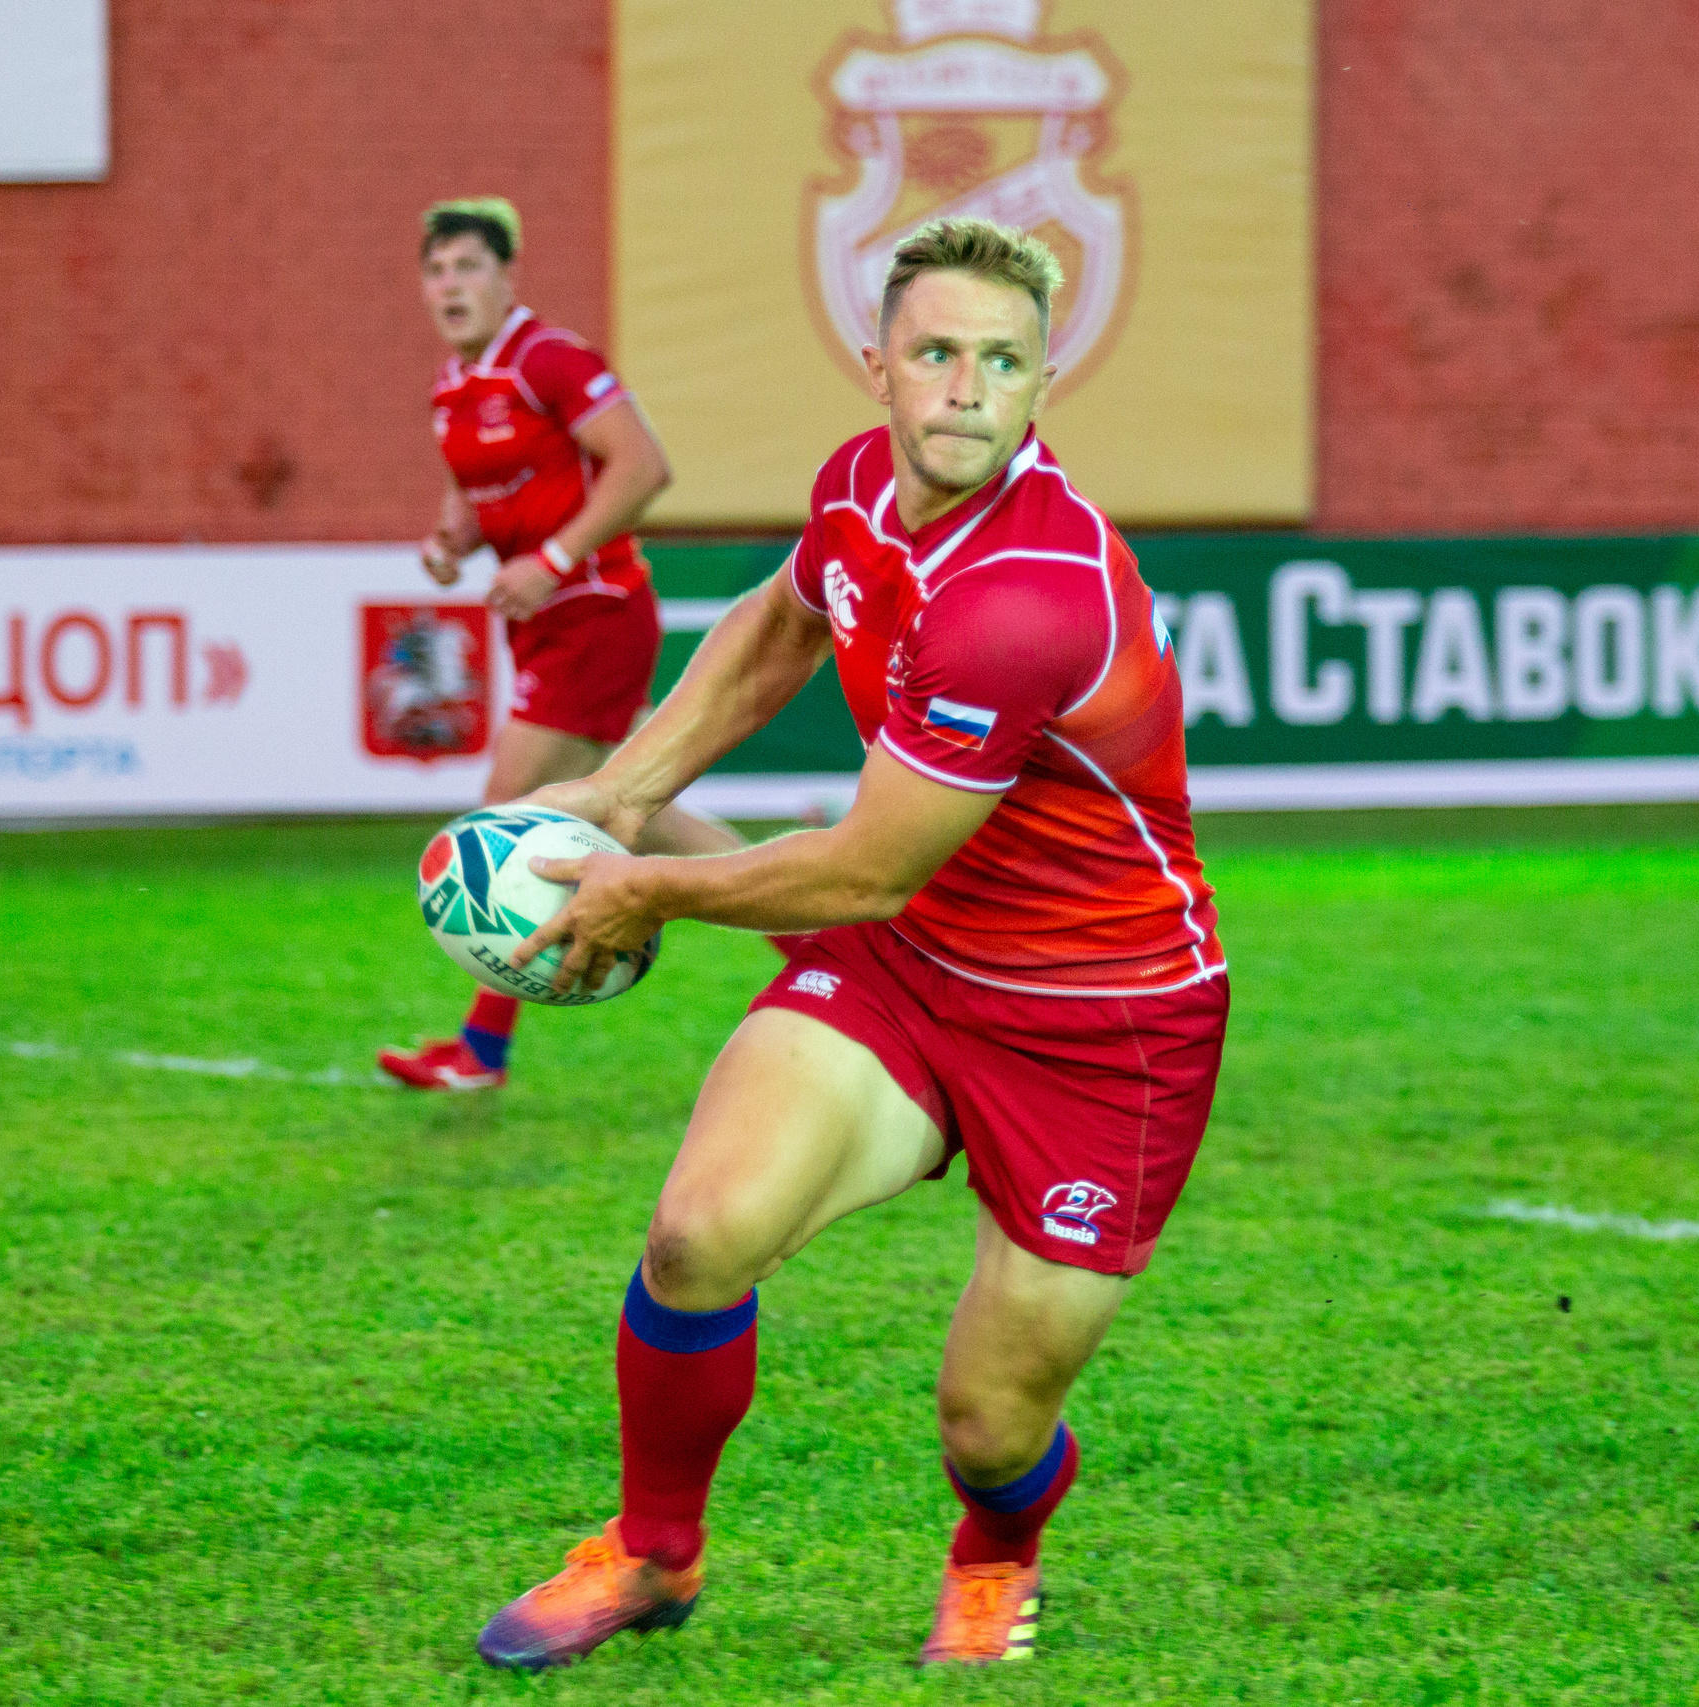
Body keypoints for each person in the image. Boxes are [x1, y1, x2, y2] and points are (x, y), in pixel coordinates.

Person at [470, 217, 1228, 1670]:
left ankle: (999, 1550)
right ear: (875, 361)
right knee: (700, 1234)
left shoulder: (1030, 595)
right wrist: (622, 787)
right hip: (918, 966)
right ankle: (650, 1553)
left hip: (1106, 1026)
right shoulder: (859, 488)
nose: (963, 388)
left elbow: (865, 867)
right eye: (936, 352)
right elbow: (775, 627)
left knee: (987, 1421)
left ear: (1040, 386)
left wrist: (643, 887)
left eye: (1001, 362)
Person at [381, 197, 739, 1091]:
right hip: (543, 622)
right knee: (644, 808)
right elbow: (479, 489)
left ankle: (482, 1050)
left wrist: (550, 557)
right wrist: (451, 540)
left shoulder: (549, 357)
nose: (451, 284)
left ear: (508, 278)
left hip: (596, 609)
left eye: (468, 266)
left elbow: (643, 465)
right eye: (437, 270)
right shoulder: (452, 384)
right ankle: (831, 934)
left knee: (505, 813)